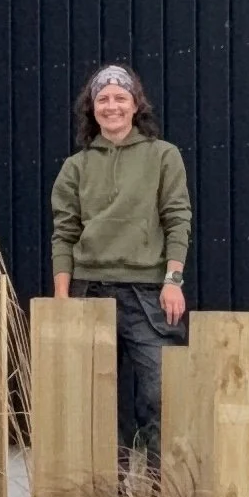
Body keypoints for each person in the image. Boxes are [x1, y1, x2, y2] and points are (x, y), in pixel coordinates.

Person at [50, 63, 191, 462]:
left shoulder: (164, 156)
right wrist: (62, 296)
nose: (111, 106)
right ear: (92, 108)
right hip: (88, 292)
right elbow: (64, 233)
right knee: (92, 401)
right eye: (103, 99)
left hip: (149, 294)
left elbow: (177, 219)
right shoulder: (75, 168)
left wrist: (173, 279)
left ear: (135, 105)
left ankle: (165, 494)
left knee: (164, 393)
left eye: (120, 98)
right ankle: (109, 495)